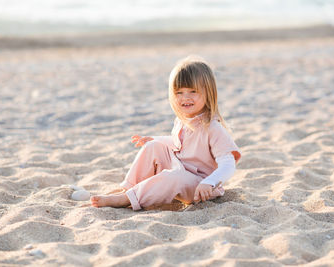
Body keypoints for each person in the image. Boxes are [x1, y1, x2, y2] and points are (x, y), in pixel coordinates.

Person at [90, 56, 241, 210]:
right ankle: (128, 188)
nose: (185, 97)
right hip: (180, 169)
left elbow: (228, 165)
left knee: (173, 177)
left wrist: (209, 182)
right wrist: (156, 139)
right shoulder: (182, 121)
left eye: (193, 91)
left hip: (198, 185)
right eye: (179, 92)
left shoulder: (213, 128)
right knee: (153, 146)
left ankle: (127, 198)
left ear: (208, 93)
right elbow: (180, 144)